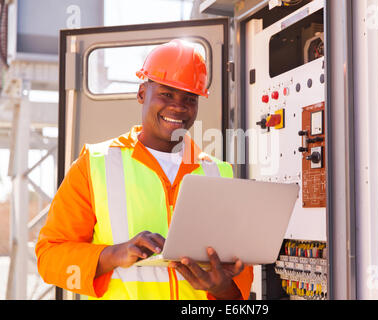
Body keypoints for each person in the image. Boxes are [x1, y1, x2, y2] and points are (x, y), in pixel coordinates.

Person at [35, 39, 253, 300]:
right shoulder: (94, 165)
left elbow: (238, 284)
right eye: (167, 93)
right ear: (141, 94)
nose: (178, 107)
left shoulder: (219, 173)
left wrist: (222, 289)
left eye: (189, 98)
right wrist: (113, 255)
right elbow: (50, 258)